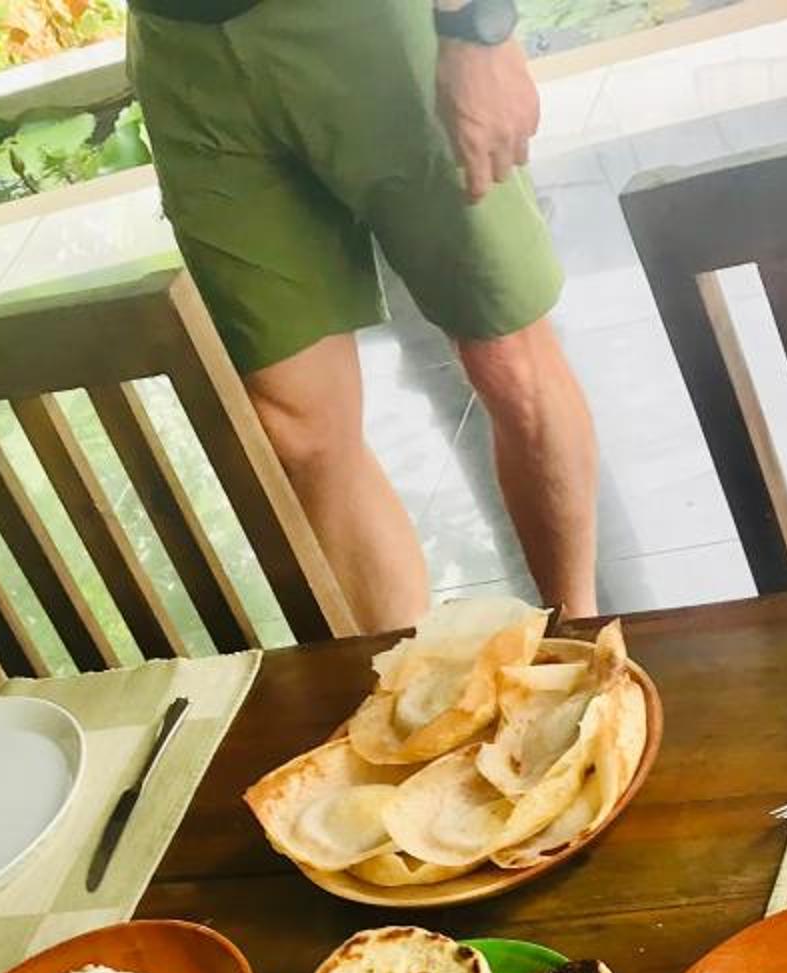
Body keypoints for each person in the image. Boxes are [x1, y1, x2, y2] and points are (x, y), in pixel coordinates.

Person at [130, 0, 598, 628]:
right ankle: (410, 674)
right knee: (296, 429)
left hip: (369, 25)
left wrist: (478, 26)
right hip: (181, 47)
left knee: (506, 354)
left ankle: (581, 640)